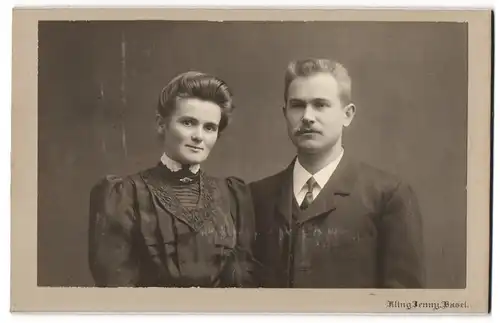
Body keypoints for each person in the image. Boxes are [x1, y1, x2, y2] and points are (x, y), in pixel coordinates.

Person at [249, 58, 425, 288]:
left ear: (347, 115)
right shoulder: (255, 196)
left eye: (320, 105)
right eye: (297, 105)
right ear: (285, 113)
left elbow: (402, 301)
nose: (307, 117)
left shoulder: (388, 196)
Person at [88, 71, 255, 288]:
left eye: (209, 127)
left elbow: (243, 283)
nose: (199, 136)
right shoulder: (125, 196)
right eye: (188, 123)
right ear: (161, 124)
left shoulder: (233, 196)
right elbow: (117, 289)